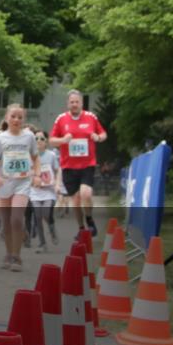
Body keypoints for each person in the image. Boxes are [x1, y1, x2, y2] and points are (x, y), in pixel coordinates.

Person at [50, 89, 107, 237]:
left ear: (82, 103)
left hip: (87, 163)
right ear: (68, 104)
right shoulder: (61, 119)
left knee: (86, 194)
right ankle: (81, 228)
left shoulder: (91, 117)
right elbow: (51, 140)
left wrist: (98, 137)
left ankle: (90, 220)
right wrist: (63, 140)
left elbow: (103, 134)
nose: (74, 104)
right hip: (69, 166)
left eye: (77, 102)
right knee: (75, 201)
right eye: (72, 102)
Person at [0, 104, 36, 272]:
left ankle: (17, 256)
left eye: (20, 117)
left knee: (16, 218)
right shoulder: (0, 139)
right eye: (13, 116)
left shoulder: (29, 137)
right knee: (6, 223)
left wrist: (35, 174)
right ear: (7, 118)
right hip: (4, 182)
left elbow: (35, 158)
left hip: (22, 182)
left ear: (24, 120)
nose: (16, 120)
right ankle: (8, 254)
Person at [29, 129, 61, 252]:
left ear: (46, 142)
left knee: (46, 214)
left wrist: (57, 185)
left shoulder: (51, 155)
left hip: (49, 191)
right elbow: (26, 172)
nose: (38, 141)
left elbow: (58, 171)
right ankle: (42, 244)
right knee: (37, 216)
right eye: (36, 138)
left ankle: (52, 231)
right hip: (35, 191)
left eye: (42, 138)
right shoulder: (29, 155)